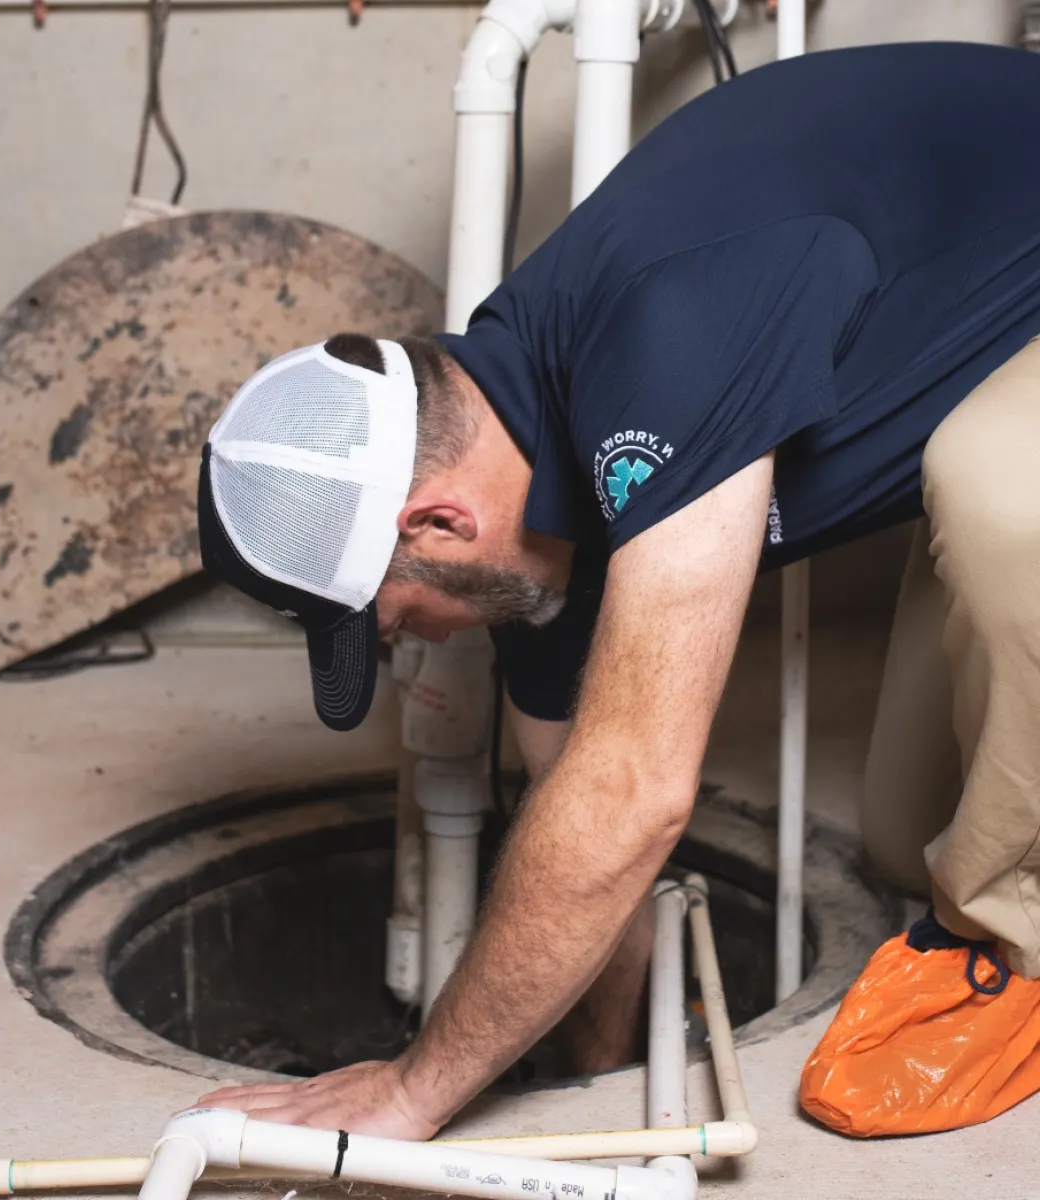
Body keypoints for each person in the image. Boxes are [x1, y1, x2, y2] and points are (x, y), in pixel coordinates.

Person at [190, 41, 1040, 1139]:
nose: (407, 646)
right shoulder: (517, 467)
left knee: (998, 493)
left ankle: (1019, 958)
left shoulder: (662, 343)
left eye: (393, 616)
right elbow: (576, 801)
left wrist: (415, 1090)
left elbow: (635, 793)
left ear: (439, 522)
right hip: (993, 290)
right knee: (899, 837)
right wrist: (598, 1070)